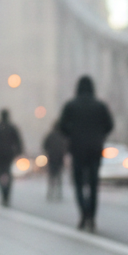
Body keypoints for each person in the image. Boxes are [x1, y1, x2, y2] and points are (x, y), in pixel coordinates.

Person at [59, 76, 114, 231]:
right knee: (94, 184)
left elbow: (62, 126)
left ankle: (83, 212)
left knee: (78, 183)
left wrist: (72, 133)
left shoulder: (71, 106)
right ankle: (92, 216)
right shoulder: (100, 106)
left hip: (77, 149)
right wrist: (99, 135)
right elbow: (109, 125)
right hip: (95, 149)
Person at [0, 109, 23, 206]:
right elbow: (18, 141)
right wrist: (19, 152)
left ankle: (3, 193)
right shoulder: (12, 128)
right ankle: (6, 194)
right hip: (9, 155)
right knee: (8, 173)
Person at [43, 122, 67, 201]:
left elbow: (44, 145)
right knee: (59, 176)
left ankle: (50, 192)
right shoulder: (63, 136)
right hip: (60, 159)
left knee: (51, 176)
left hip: (51, 158)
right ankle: (59, 192)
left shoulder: (50, 136)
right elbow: (66, 147)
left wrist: (48, 152)